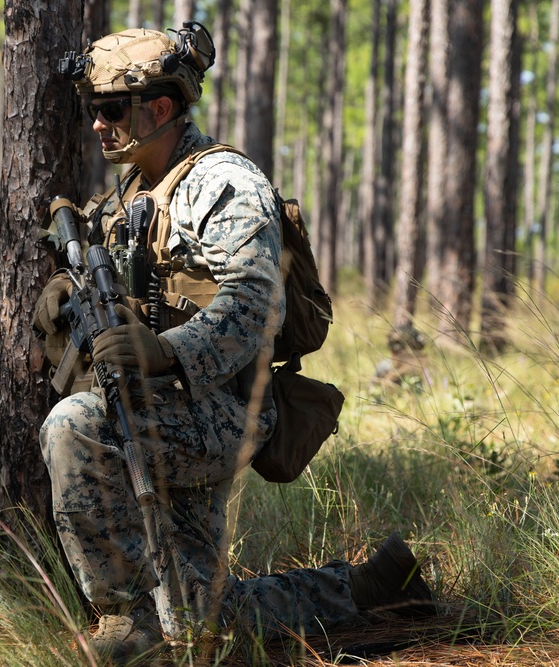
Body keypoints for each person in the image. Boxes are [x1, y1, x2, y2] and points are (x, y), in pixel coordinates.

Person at [33, 23, 434, 664]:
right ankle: (367, 588)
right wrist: (63, 291)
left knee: (73, 426)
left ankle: (123, 622)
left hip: (219, 406)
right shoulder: (134, 185)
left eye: (110, 110)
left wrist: (167, 351)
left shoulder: (222, 184)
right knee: (198, 612)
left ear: (159, 108)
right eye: (93, 111)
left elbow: (256, 304)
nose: (98, 126)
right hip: (157, 405)